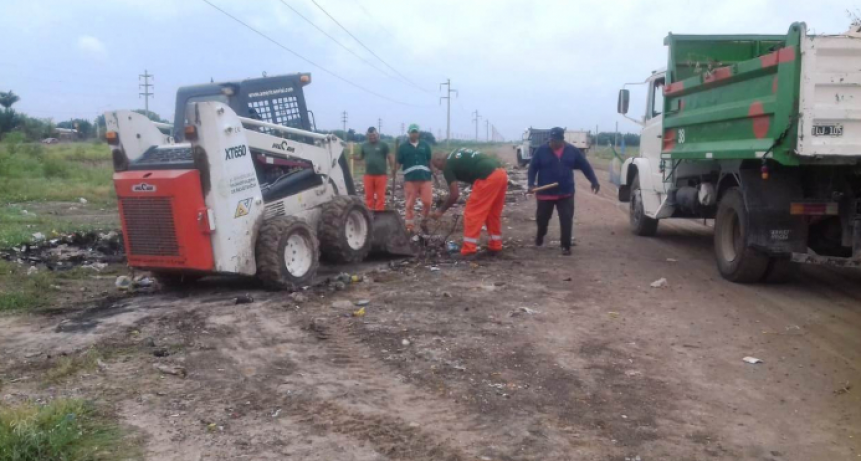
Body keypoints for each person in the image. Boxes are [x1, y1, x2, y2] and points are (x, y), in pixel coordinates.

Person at [527, 127, 600, 256]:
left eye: (556, 141)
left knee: (566, 219)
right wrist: (531, 184)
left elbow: (585, 166)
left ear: (562, 140)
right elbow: (532, 168)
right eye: (551, 141)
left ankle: (565, 246)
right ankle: (540, 236)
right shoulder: (541, 151)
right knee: (542, 219)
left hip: (565, 192)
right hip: (545, 193)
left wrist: (594, 181)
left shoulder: (572, 151)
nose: (553, 144)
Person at [430, 148, 508, 256]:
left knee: (472, 213)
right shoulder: (455, 154)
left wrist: (440, 211)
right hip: (501, 174)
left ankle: (469, 250)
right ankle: (495, 245)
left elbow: (454, 195)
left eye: (437, 166)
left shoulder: (447, 165)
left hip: (487, 177)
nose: (439, 169)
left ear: (439, 160)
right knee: (492, 213)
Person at [396, 124, 433, 232]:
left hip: (425, 178)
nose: (414, 134)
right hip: (410, 179)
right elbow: (399, 163)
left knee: (427, 202)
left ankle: (424, 221)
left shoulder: (425, 145)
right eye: (412, 132)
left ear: (418, 133)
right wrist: (394, 169)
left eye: (416, 132)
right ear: (409, 133)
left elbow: (429, 160)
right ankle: (409, 227)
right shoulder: (403, 147)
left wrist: (433, 171)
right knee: (409, 205)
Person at [356, 126, 392, 210]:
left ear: (377, 135)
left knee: (380, 196)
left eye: (374, 135)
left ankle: (379, 212)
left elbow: (389, 157)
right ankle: (369, 211)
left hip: (381, 175)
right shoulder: (364, 145)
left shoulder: (383, 145)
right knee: (369, 196)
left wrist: (392, 168)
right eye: (370, 136)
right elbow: (361, 156)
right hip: (368, 175)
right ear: (367, 136)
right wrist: (352, 156)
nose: (372, 137)